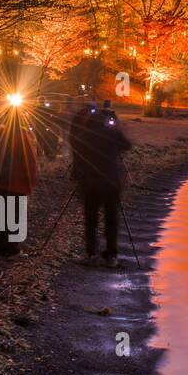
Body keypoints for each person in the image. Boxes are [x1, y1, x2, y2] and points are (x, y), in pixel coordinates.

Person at [72, 98, 132, 267]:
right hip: (111, 182)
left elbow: (77, 149)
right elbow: (127, 145)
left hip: (90, 182)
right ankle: (111, 255)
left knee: (91, 219)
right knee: (111, 218)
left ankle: (92, 253)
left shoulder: (84, 134)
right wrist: (116, 127)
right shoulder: (112, 132)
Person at [0, 107, 38, 256]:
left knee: (0, 217)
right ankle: (12, 250)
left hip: (0, 182)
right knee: (14, 218)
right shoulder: (23, 136)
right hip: (17, 184)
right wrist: (32, 180)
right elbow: (29, 161)